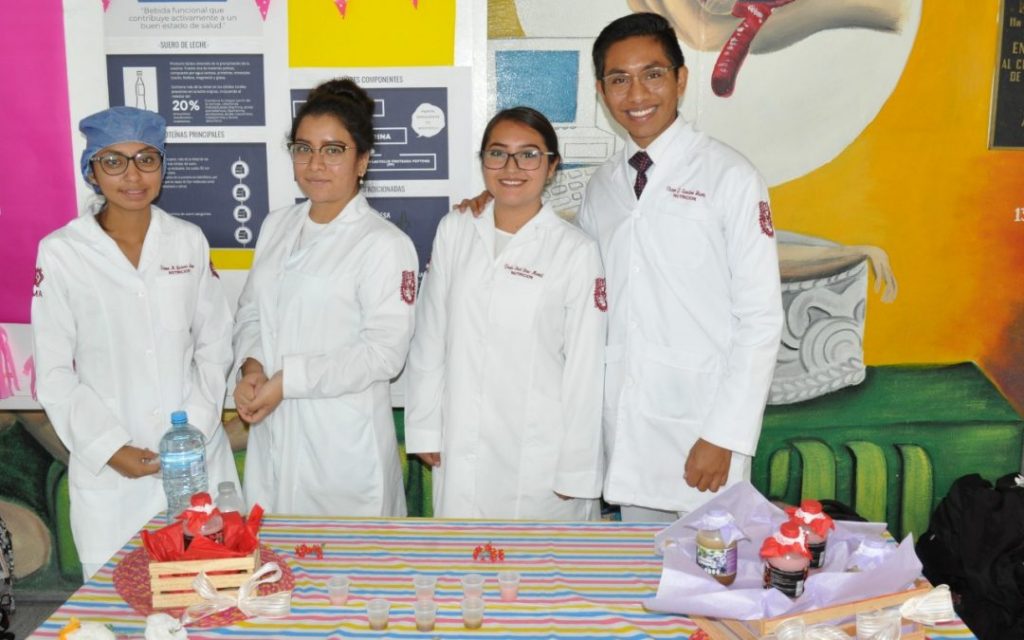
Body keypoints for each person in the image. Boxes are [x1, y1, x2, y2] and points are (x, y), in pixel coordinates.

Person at [581, 12, 783, 521]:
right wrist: (493, 209)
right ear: (601, 91)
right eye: (618, 79)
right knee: (636, 562)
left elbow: (760, 319)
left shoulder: (730, 176)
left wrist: (725, 435)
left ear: (681, 79)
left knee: (709, 564)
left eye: (652, 74)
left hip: (703, 429)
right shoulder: (601, 187)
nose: (636, 94)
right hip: (625, 432)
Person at [31, 106, 239, 579]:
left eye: (147, 159)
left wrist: (195, 428)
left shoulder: (187, 241)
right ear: (91, 170)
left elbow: (214, 343)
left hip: (195, 460)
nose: (132, 175)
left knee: (210, 596)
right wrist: (109, 448)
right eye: (113, 161)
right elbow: (55, 372)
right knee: (117, 603)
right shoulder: (62, 252)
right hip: (112, 476)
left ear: (162, 166)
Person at [405, 107, 606, 520]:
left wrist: (577, 468)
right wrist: (425, 426)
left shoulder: (575, 251)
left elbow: (586, 370)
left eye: (529, 155)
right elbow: (430, 335)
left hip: (539, 451)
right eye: (497, 154)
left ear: (552, 166)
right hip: (460, 439)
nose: (511, 167)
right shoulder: (455, 229)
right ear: (483, 162)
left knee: (537, 558)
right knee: (462, 554)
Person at [232, 78, 417, 517]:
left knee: (347, 556)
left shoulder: (384, 244)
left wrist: (288, 381)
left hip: (343, 449)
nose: (315, 164)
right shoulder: (276, 226)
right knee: (275, 550)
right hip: (275, 434)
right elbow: (252, 310)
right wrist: (253, 367)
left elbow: (384, 354)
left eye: (333, 150)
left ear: (362, 160)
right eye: (304, 148)